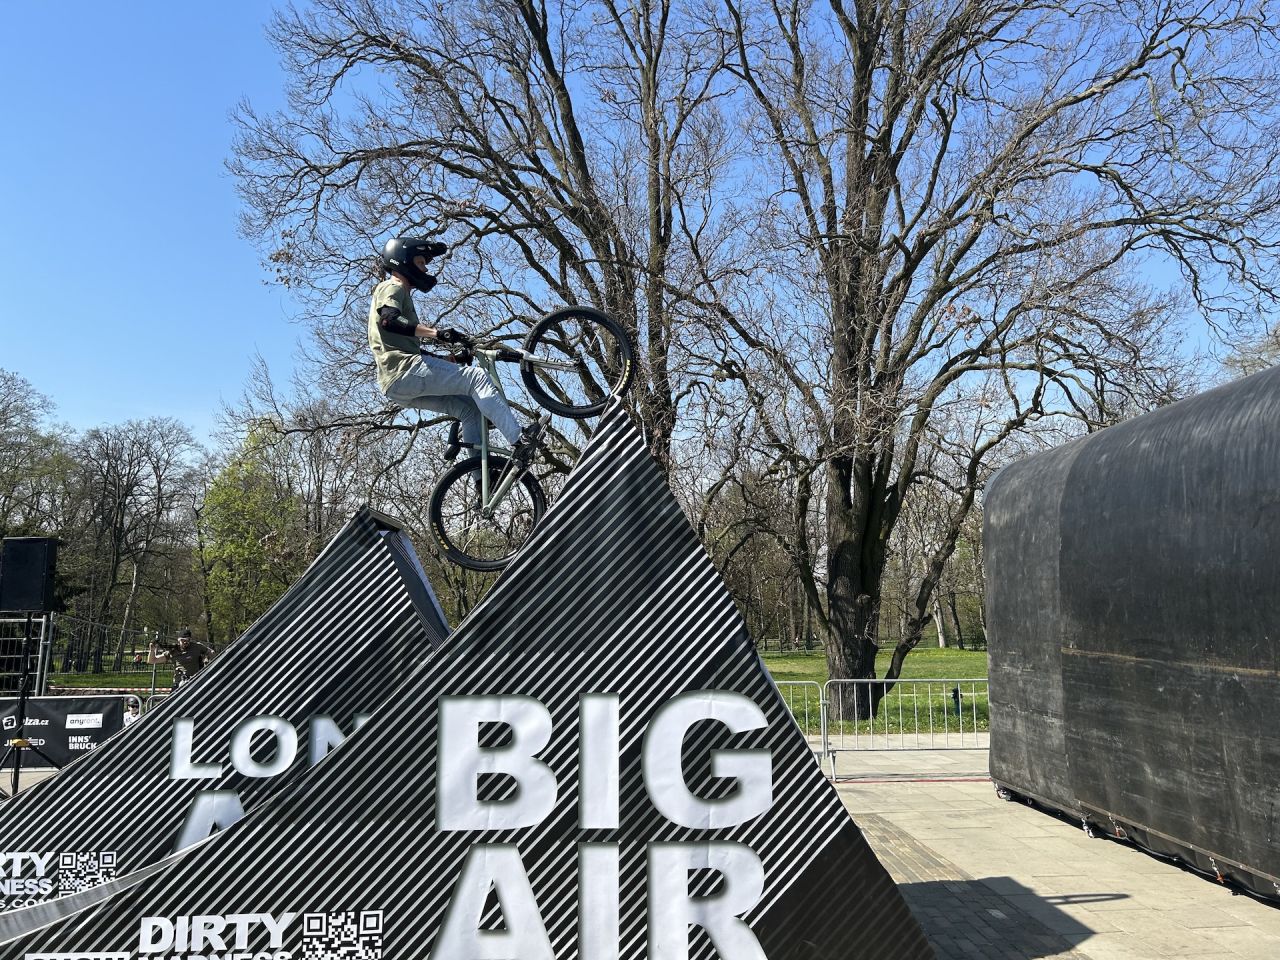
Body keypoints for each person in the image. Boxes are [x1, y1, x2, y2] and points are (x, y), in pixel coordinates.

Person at [368, 236, 547, 466]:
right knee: (476, 378)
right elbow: (389, 321)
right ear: (405, 261)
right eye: (422, 263)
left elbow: (408, 350)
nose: (425, 269)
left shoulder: (401, 294)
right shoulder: (392, 287)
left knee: (470, 411)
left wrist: (453, 359)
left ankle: (482, 481)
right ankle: (519, 439)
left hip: (397, 384)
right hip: (404, 372)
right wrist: (437, 333)